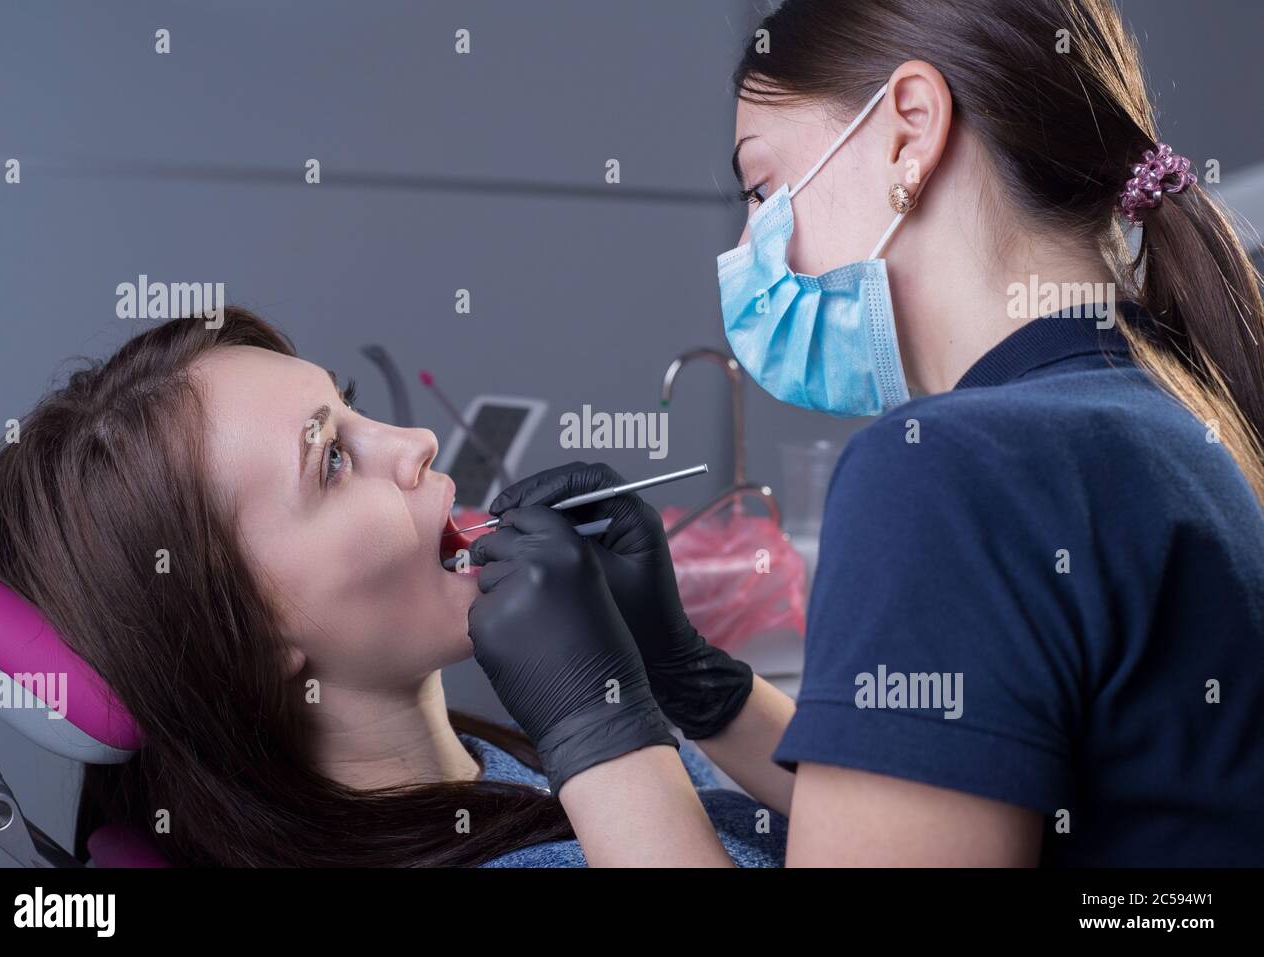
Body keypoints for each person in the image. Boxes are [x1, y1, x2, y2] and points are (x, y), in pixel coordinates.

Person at [463, 0, 1264, 866]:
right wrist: (693, 677)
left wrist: (597, 725)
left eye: (763, 190)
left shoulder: (954, 469)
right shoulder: (1167, 403)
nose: (749, 245)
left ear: (907, 133)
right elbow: (937, 804)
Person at [0, 306, 786, 867]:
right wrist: (604, 734)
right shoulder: (591, 768)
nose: (418, 441)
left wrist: (695, 684)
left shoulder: (500, 767)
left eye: (348, 408)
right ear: (245, 633)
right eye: (331, 458)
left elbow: (875, 835)